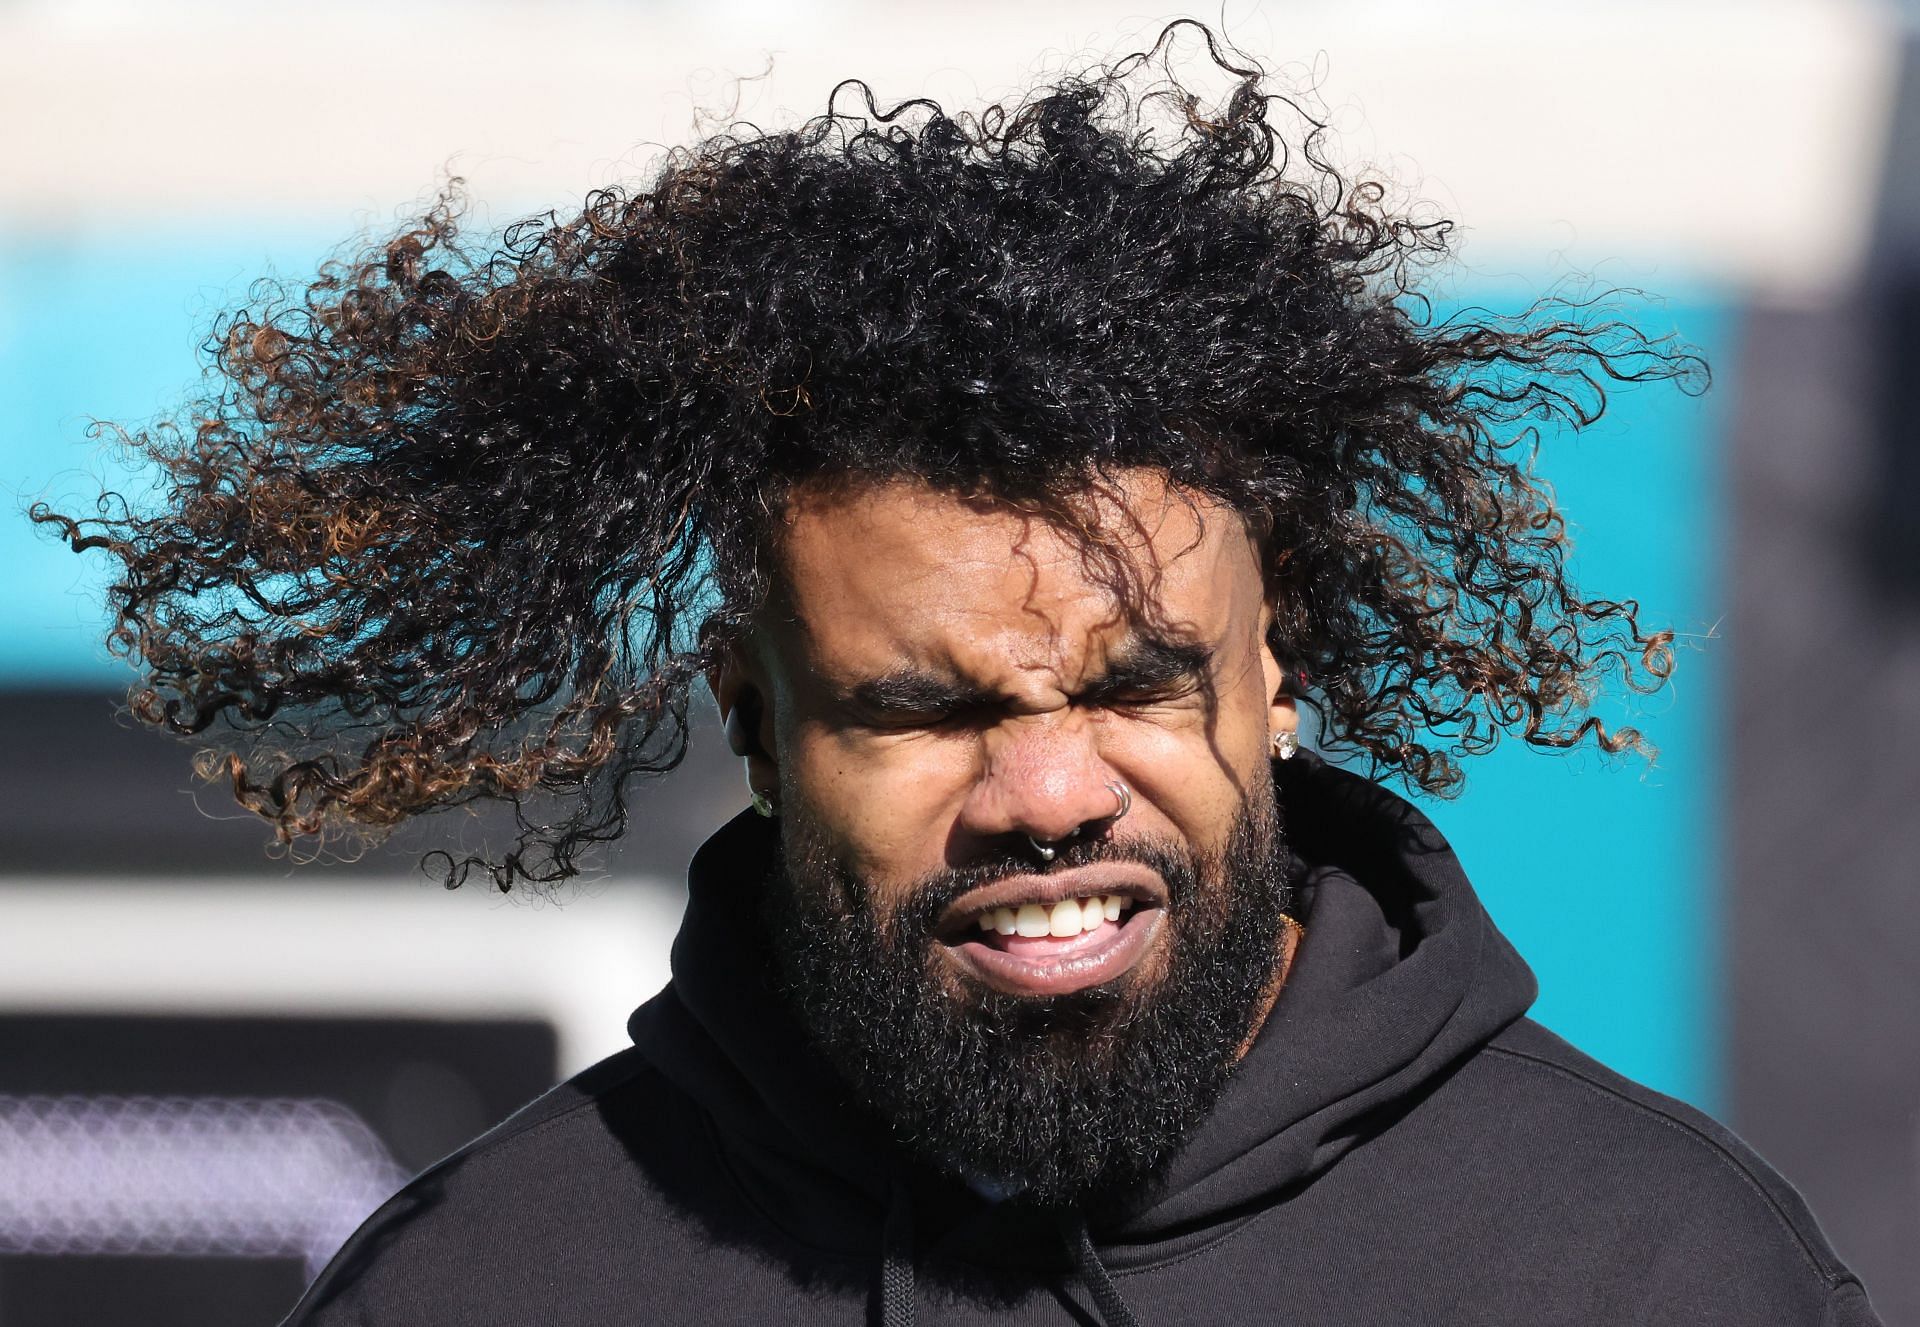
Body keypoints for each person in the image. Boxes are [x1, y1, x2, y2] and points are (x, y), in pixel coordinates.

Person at [36, 24, 1878, 1326]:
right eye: (924, 712)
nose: (1052, 795)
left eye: (1140, 686)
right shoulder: (485, 1287)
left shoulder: (1649, 1276)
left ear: (1274, 661)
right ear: (757, 727)